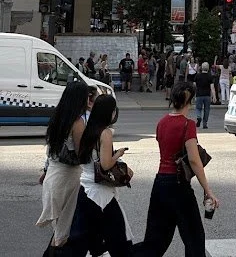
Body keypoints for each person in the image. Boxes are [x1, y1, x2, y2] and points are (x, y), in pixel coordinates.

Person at [134, 82, 219, 256]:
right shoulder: (188, 125)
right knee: (194, 237)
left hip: (160, 184)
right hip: (179, 186)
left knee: (155, 241)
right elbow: (194, 160)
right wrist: (207, 190)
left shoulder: (162, 122)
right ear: (191, 101)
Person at [70, 94, 134, 256]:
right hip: (100, 194)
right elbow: (105, 164)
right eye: (114, 110)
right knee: (120, 239)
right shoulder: (105, 133)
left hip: (85, 189)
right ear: (109, 112)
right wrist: (118, 154)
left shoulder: (88, 129)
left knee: (82, 239)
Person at [36, 80, 89, 253]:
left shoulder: (57, 117)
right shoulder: (78, 122)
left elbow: (50, 148)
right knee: (64, 234)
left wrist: (45, 171)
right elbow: (83, 155)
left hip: (52, 176)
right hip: (68, 179)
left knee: (59, 230)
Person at [194, 62, 213, 129]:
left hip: (199, 94)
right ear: (208, 68)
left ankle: (199, 117)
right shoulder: (210, 76)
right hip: (207, 95)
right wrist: (214, 96)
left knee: (198, 108)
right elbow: (212, 87)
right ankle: (205, 124)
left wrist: (194, 94)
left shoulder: (197, 76)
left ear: (201, 68)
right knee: (207, 109)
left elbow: (194, 85)